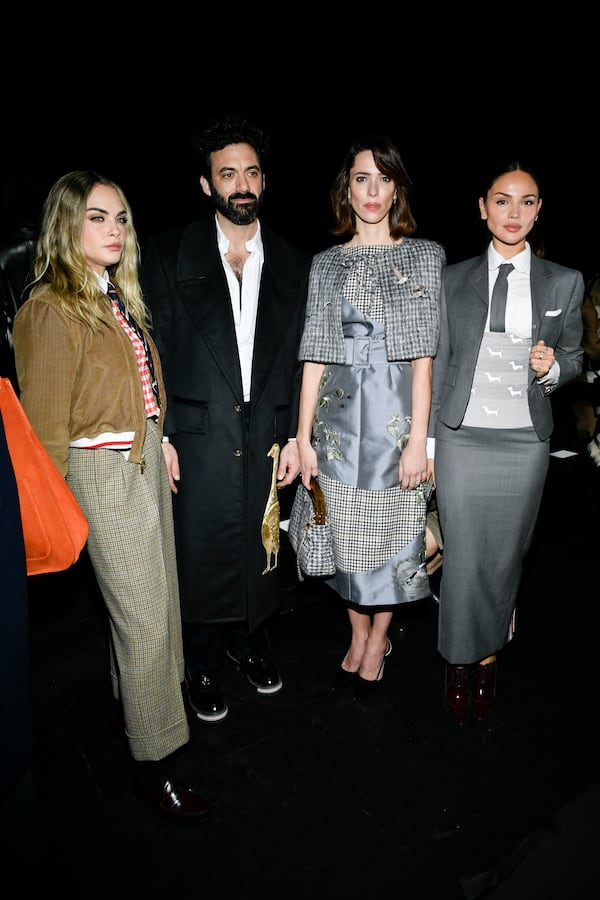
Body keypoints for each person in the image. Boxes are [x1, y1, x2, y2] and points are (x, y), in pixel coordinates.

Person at [12, 170, 209, 818]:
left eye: (122, 217)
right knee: (146, 620)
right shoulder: (48, 308)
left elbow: (134, 386)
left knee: (158, 609)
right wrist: (64, 512)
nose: (116, 229)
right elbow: (44, 433)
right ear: (67, 225)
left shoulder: (112, 298)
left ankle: (144, 715)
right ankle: (156, 768)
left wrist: (161, 437)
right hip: (102, 477)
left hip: (143, 460)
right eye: (99, 217)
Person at [141, 114, 311, 723]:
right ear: (206, 184)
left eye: (252, 172)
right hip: (196, 436)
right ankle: (201, 659)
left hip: (268, 433)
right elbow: (147, 351)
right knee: (202, 550)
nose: (241, 184)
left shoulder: (295, 263)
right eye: (227, 173)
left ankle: (249, 643)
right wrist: (157, 431)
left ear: (264, 182)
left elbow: (301, 361)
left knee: (261, 549)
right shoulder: (164, 256)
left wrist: (298, 434)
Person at [429, 161, 584, 724]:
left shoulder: (564, 281)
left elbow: (574, 356)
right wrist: (425, 444)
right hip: (461, 437)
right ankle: (457, 661)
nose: (513, 212)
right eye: (502, 200)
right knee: (465, 555)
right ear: (482, 206)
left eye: (526, 201)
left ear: (539, 210)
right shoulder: (451, 278)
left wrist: (553, 368)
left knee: (505, 558)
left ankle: (488, 657)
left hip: (523, 442)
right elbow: (440, 361)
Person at [295, 134, 444, 699]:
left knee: (393, 536)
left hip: (396, 423)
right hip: (335, 425)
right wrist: (302, 436)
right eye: (362, 178)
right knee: (345, 538)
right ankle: (356, 636)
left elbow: (423, 359)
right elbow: (314, 354)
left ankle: (379, 638)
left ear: (398, 187)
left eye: (384, 178)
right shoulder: (326, 263)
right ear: (347, 190)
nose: (373, 190)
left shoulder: (424, 255)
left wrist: (419, 442)